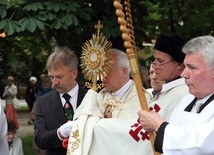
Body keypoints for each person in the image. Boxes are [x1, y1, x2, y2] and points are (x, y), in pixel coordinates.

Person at [66, 48, 152, 155]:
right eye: (100, 71)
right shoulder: (97, 97)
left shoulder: (143, 99)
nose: (101, 76)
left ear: (124, 71)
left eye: (106, 71)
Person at [138, 35, 214, 155]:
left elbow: (201, 145)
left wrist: (159, 125)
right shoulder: (187, 99)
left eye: (192, 67)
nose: (184, 74)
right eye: (185, 66)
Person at [34, 46, 88, 155]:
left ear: (74, 73)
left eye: (59, 77)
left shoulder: (90, 97)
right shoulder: (42, 102)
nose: (55, 82)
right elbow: (40, 139)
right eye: (52, 77)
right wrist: (60, 132)